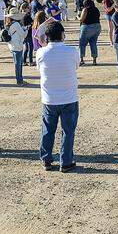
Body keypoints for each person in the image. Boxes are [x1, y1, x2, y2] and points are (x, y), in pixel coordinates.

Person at [36, 21, 79, 172]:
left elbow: (39, 69)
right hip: (69, 97)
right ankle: (66, 161)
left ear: (46, 37)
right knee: (68, 131)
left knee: (48, 129)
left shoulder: (41, 53)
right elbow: (75, 66)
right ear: (63, 35)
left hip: (49, 99)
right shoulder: (72, 51)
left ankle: (46, 159)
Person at [3, 15, 28, 85]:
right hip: (17, 46)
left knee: (18, 63)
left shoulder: (9, 24)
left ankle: (20, 79)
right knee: (18, 64)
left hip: (12, 45)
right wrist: (26, 30)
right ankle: (19, 80)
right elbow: (23, 35)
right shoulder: (16, 24)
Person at [77, 0, 101, 66]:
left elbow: (81, 19)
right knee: (93, 43)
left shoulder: (85, 9)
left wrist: (78, 17)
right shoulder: (96, 9)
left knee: (82, 44)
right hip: (97, 27)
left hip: (87, 27)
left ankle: (81, 59)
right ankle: (94, 60)